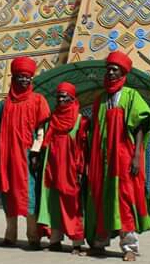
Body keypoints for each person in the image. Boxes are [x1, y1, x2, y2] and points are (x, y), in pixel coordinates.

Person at [86, 51, 150, 261]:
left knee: (124, 200)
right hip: (103, 160)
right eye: (108, 69)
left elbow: (141, 126)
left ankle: (130, 249)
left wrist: (136, 156)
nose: (110, 73)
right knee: (102, 198)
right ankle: (99, 243)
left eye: (114, 70)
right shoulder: (100, 99)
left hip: (124, 157)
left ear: (123, 73)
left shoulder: (130, 95)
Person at [0, 56, 50, 249]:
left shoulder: (37, 101)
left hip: (26, 158)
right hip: (6, 157)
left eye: (27, 77)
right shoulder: (3, 104)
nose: (24, 80)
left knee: (28, 195)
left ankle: (33, 237)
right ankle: (10, 236)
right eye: (20, 77)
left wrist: (35, 152)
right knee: (8, 196)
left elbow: (41, 130)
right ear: (13, 78)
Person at [38, 82, 89, 255]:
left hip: (70, 169)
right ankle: (55, 241)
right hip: (52, 168)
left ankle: (76, 243)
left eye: (64, 96)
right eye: (58, 96)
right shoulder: (52, 119)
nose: (61, 99)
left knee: (71, 204)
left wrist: (81, 170)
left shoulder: (80, 120)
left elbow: (83, 148)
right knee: (52, 203)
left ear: (72, 98)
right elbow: (45, 141)